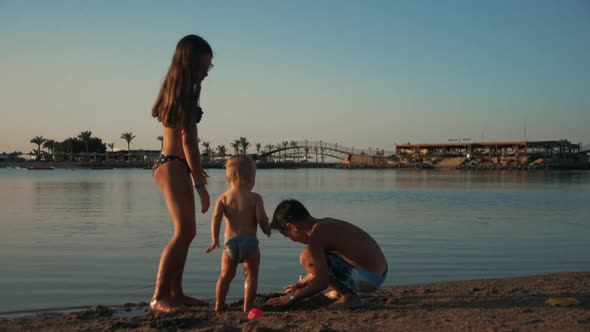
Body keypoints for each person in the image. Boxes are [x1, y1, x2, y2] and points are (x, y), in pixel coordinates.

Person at [149, 34, 213, 313]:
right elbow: (189, 141)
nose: (205, 74)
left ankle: (176, 292)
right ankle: (159, 296)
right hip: (173, 163)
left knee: (188, 232)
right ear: (188, 65)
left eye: (209, 68)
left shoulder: (178, 89)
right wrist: (199, 178)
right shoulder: (184, 93)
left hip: (174, 164)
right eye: (202, 68)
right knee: (183, 232)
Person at [266, 199, 388, 309]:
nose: (293, 240)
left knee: (306, 257)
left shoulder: (316, 237)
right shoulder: (325, 224)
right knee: (319, 258)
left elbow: (322, 282)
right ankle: (340, 290)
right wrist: (301, 284)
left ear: (292, 227)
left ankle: (349, 297)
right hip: (379, 272)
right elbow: (322, 266)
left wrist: (292, 297)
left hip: (368, 278)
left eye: (288, 236)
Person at [206, 155, 271, 312]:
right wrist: (267, 229)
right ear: (250, 178)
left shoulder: (224, 198)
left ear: (229, 177)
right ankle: (247, 307)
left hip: (231, 243)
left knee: (225, 276)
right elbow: (261, 218)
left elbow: (216, 218)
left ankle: (219, 305)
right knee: (251, 275)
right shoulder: (255, 198)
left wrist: (215, 239)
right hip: (250, 242)